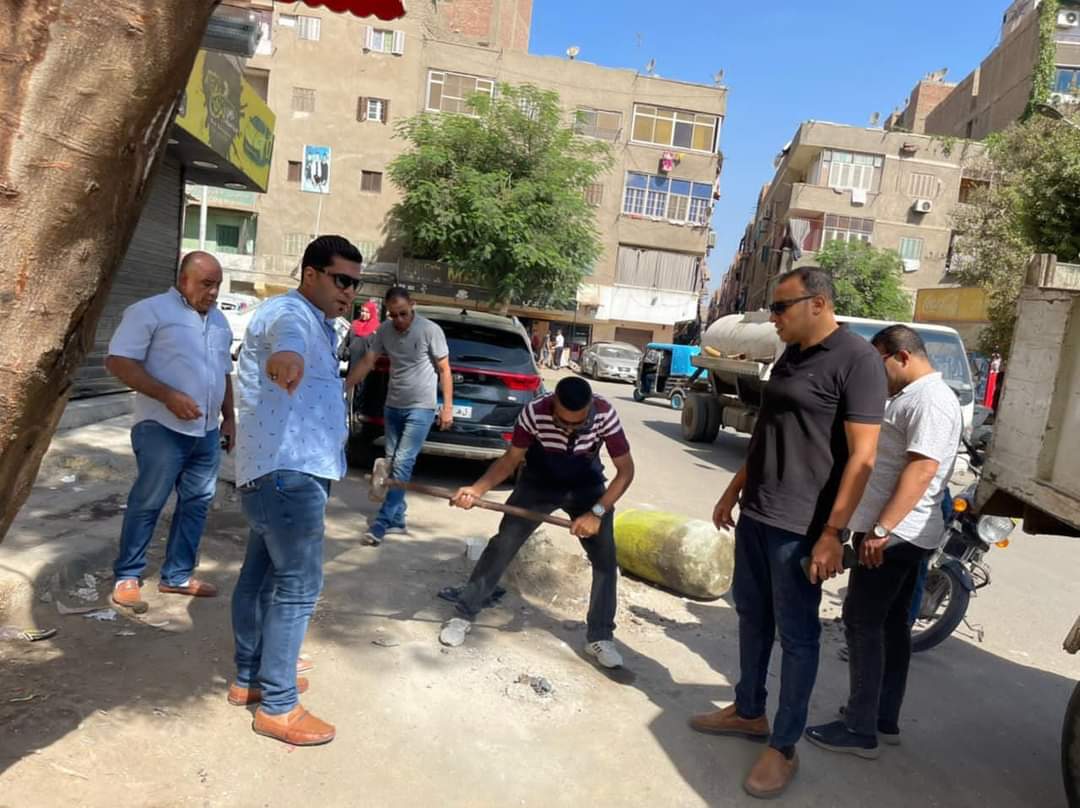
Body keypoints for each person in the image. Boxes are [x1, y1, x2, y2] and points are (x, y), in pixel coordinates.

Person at [689, 267, 887, 799]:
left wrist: (833, 532)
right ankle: (748, 710)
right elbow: (767, 431)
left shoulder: (858, 361)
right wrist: (734, 490)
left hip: (802, 527)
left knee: (797, 637)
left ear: (818, 303)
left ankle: (783, 745)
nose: (773, 318)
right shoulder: (791, 354)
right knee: (752, 617)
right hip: (758, 513)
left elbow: (864, 458)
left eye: (781, 307)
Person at [229, 235, 362, 746]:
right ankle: (279, 705)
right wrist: (286, 357)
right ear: (311, 274)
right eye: (341, 279)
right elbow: (287, 341)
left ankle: (251, 678)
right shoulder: (291, 315)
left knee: (260, 577)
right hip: (290, 474)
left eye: (355, 283)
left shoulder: (321, 324)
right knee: (299, 586)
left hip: (277, 472)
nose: (349, 291)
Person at [805, 325, 962, 759]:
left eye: (879, 364)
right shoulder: (916, 396)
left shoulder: (930, 400)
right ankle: (882, 717)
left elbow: (922, 469)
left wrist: (880, 530)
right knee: (891, 625)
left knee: (862, 622)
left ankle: (859, 728)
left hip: (896, 536)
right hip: (902, 533)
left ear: (902, 356)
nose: (876, 375)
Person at [444, 376, 635, 668]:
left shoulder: (605, 413)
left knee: (606, 561)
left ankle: (600, 636)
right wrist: (477, 489)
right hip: (538, 484)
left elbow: (626, 471)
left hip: (587, 487)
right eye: (563, 422)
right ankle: (463, 614)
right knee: (503, 545)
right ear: (553, 404)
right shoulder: (534, 411)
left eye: (578, 424)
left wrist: (596, 513)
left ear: (589, 408)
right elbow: (510, 460)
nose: (570, 429)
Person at [106, 251, 233, 609]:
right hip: (161, 427)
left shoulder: (219, 320)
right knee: (149, 501)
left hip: (206, 432)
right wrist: (167, 395)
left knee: (197, 503)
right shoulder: (150, 311)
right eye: (206, 284)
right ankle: (128, 575)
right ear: (183, 281)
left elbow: (223, 372)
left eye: (217, 285)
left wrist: (229, 417)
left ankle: (177, 575)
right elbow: (118, 361)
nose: (213, 292)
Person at [347, 287, 454, 546]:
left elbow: (444, 370)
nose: (399, 320)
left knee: (403, 463)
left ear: (412, 305)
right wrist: (343, 386)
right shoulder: (384, 330)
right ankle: (398, 517)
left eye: (403, 313)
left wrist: (447, 407)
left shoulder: (430, 330)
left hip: (421, 408)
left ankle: (382, 522)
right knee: (392, 463)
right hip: (393, 406)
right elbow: (368, 361)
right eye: (393, 315)